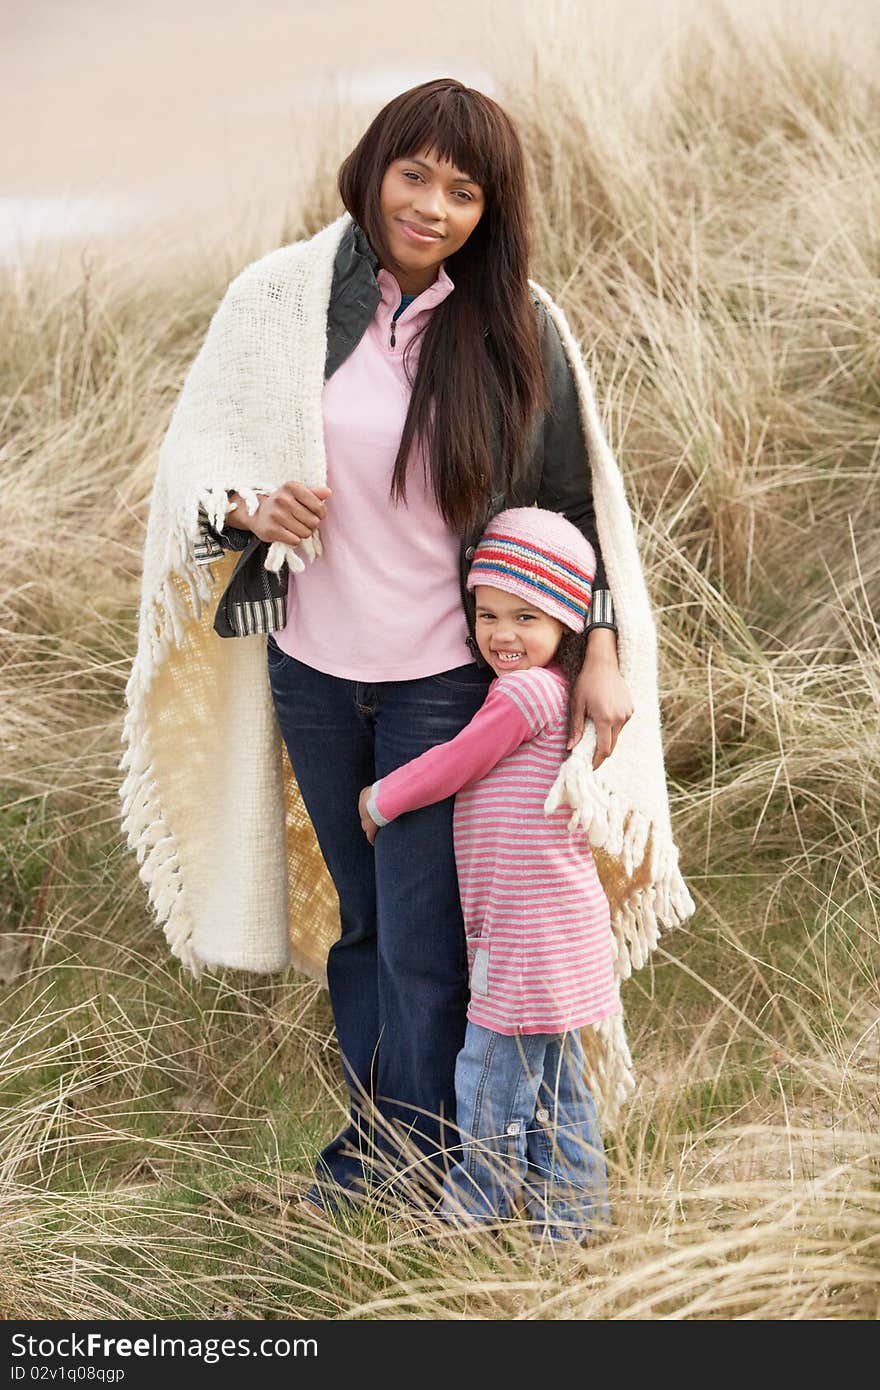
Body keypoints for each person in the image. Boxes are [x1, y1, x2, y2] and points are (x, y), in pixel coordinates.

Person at [121, 79, 694, 1221]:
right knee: (365, 924)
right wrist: (246, 509)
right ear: (375, 168)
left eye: (464, 189)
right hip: (314, 671)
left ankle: (436, 1168)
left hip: (448, 681)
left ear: (491, 208)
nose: (432, 206)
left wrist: (601, 647)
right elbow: (198, 466)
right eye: (415, 174)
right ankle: (405, 1148)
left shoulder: (518, 326)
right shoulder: (280, 300)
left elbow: (572, 507)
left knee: (428, 934)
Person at [357, 509, 616, 1239]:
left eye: (526, 616)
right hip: (550, 927)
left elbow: (457, 762)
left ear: (566, 620)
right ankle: (573, 1226)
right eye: (487, 612)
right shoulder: (551, 690)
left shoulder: (528, 693)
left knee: (488, 1084)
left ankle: (470, 1224)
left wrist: (384, 796)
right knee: (557, 1088)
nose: (503, 633)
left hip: (528, 933)